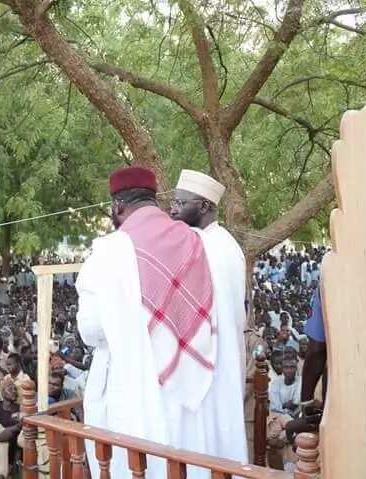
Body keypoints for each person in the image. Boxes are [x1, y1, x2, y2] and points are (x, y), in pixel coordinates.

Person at [77, 166, 216, 479]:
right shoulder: (195, 240)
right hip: (186, 383)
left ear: (117, 207)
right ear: (154, 199)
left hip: (134, 390)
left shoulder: (108, 251)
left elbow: (90, 330)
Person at [169, 169, 249, 467]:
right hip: (221, 352)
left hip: (209, 353)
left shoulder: (203, 245)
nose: (172, 209)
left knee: (205, 438)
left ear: (203, 206)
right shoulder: (225, 243)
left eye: (180, 202)